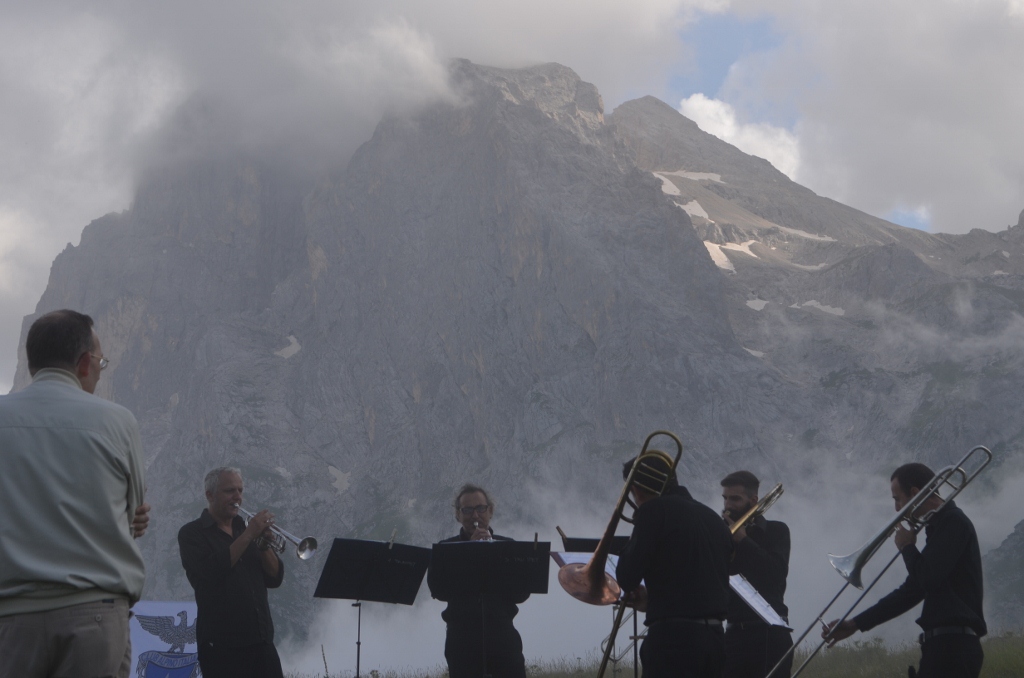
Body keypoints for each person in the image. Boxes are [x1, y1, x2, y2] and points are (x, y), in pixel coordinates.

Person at [0, 309, 151, 678]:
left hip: (11, 619)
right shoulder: (118, 421)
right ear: (85, 363)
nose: (100, 368)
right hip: (95, 615)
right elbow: (134, 517)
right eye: (100, 360)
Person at [823, 463, 986, 678]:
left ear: (915, 493)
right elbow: (912, 590)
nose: (897, 509)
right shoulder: (938, 526)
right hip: (942, 648)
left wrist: (907, 547)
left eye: (897, 499)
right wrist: (855, 624)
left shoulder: (953, 522)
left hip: (954, 648)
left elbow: (926, 580)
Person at [616, 455, 734, 678]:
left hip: (673, 643)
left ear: (636, 490)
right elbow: (695, 583)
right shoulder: (713, 519)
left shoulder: (652, 511)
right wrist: (653, 602)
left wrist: (638, 524)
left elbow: (626, 577)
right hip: (715, 640)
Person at [178, 467, 285, 678]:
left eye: (240, 490)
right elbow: (212, 572)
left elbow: (275, 578)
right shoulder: (192, 533)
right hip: (221, 648)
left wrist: (263, 545)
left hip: (262, 642)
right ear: (210, 495)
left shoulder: (243, 529)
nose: (238, 497)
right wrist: (249, 535)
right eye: (230, 491)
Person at [427, 484, 529, 678]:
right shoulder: (445, 549)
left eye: (480, 509)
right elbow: (438, 590)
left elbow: (521, 594)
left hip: (503, 636)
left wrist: (494, 555)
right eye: (467, 510)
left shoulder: (508, 547)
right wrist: (471, 553)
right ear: (458, 515)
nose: (475, 516)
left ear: (490, 511)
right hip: (462, 640)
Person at [720, 471, 793, 678]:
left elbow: (776, 574)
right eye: (725, 498)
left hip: (770, 635)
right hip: (733, 635)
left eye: (735, 499)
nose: (727, 505)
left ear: (753, 501)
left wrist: (743, 540)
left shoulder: (776, 531)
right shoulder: (721, 535)